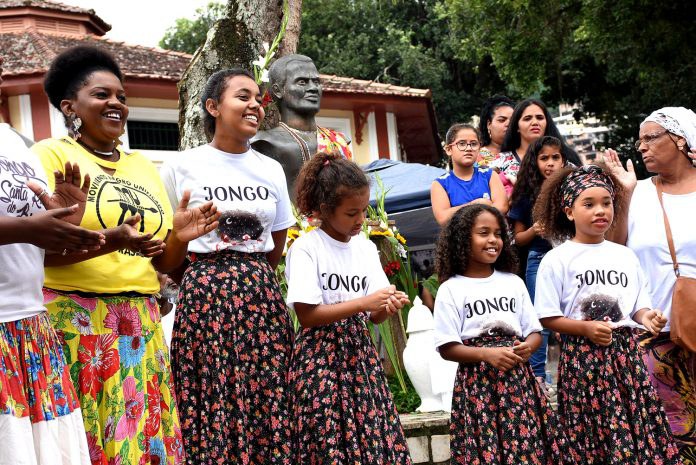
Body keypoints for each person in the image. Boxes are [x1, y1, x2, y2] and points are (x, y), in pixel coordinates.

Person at [32, 46, 219, 465]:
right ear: (70, 106)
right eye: (101, 95)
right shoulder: (51, 156)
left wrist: (181, 238)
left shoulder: (143, 167)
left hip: (140, 325)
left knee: (141, 445)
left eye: (121, 96)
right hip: (76, 321)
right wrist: (110, 240)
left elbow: (161, 264)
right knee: (90, 442)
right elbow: (39, 252)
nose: (116, 103)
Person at [160, 68, 295, 465]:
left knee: (268, 394)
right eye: (243, 96)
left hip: (261, 297)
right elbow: (167, 262)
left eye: (258, 98)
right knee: (212, 395)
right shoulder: (180, 166)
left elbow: (276, 246)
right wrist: (192, 253)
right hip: (204, 299)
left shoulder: (270, 169)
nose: (254, 104)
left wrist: (246, 276)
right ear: (213, 107)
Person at [533, 164, 682, 464]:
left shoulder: (625, 255)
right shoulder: (557, 259)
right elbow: (547, 317)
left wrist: (648, 318)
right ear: (569, 211)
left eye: (606, 202)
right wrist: (584, 329)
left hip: (627, 357)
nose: (600, 211)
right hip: (583, 360)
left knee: (636, 424)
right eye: (588, 204)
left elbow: (637, 306)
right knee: (591, 432)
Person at [0, 54, 105, 464]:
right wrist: (27, 228)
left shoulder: (14, 142)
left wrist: (64, 221)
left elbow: (35, 253)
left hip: (31, 328)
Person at [284, 151, 412, 464]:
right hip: (319, 360)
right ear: (324, 209)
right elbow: (307, 316)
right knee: (328, 439)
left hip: (360, 358)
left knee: (371, 435)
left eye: (363, 211)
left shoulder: (366, 248)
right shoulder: (305, 248)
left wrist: (388, 304)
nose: (359, 221)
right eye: (351, 213)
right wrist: (363, 303)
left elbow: (374, 312)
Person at [433, 204, 561, 465]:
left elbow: (534, 331)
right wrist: (485, 354)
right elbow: (447, 347)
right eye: (483, 233)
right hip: (478, 387)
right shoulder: (451, 289)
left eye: (498, 234)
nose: (493, 240)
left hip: (518, 384)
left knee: (527, 449)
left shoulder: (513, 282)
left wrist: (528, 346)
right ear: (462, 239)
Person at [606, 106, 696, 463]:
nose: (641, 147)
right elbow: (612, 250)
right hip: (654, 334)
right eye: (639, 140)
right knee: (672, 430)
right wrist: (624, 196)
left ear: (679, 139)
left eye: (651, 138)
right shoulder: (637, 192)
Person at [509, 136, 567, 385]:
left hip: (570, 258)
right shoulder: (525, 196)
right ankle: (538, 377)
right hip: (539, 257)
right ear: (534, 163)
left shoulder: (572, 189)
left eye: (556, 157)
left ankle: (572, 372)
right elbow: (518, 239)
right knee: (540, 318)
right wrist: (535, 230)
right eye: (544, 158)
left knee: (572, 314)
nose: (551, 163)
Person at [252, 54, 351, 195]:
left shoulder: (339, 141)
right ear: (278, 90)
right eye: (302, 82)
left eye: (316, 82)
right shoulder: (262, 142)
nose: (313, 88)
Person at [492, 98, 581, 196]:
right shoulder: (499, 162)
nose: (535, 122)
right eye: (527, 118)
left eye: (539, 118)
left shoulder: (566, 161)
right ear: (516, 126)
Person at [431, 123, 507, 226]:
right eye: (462, 144)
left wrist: (461, 211)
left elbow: (502, 207)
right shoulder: (440, 184)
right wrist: (477, 204)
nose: (469, 148)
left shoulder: (490, 175)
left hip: (491, 239)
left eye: (474, 144)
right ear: (449, 149)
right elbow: (443, 218)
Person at [477, 95, 514, 168]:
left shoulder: (523, 154)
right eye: (502, 120)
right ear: (489, 124)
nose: (508, 124)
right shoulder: (476, 155)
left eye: (513, 121)